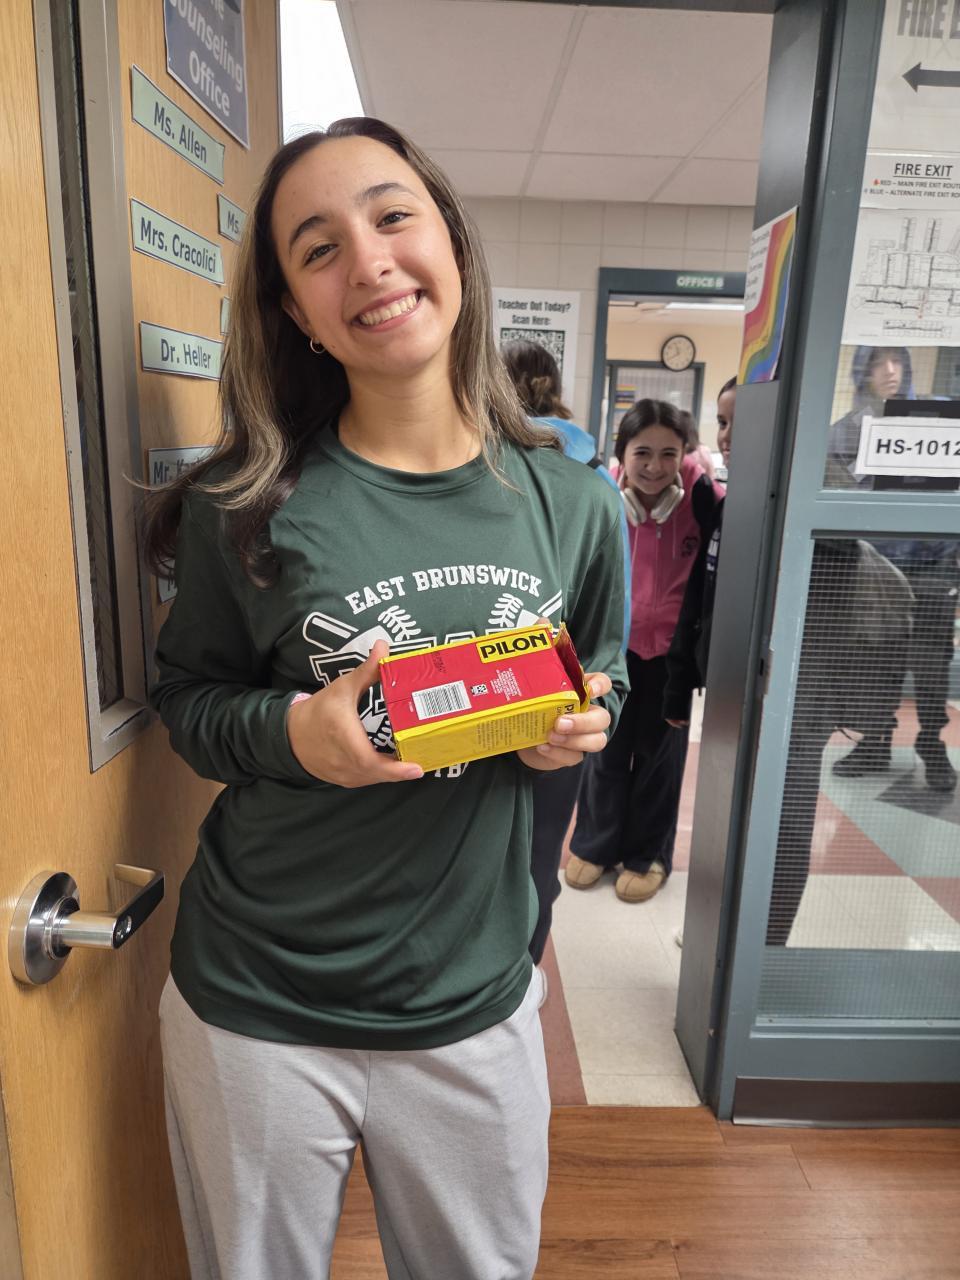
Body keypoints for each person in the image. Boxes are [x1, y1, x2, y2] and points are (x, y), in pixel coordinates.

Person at [145, 118, 627, 1280]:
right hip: (254, 1000)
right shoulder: (245, 503)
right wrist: (295, 733)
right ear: (297, 312)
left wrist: (583, 719)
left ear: (451, 240)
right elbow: (188, 698)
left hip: (473, 995)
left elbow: (603, 663)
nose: (368, 261)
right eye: (319, 248)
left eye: (393, 216)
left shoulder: (572, 499)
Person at [501, 338, 629, 964]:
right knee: (540, 852)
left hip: (486, 684)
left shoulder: (487, 462)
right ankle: (526, 969)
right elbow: (613, 613)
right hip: (564, 690)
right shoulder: (596, 476)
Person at [565, 398, 723, 903]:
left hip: (671, 658)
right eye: (642, 453)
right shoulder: (601, 498)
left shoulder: (703, 502)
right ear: (622, 454)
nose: (655, 466)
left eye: (669, 453)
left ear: (685, 455)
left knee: (660, 760)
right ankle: (593, 844)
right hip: (613, 650)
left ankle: (648, 855)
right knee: (604, 750)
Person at [828, 346, 958, 792]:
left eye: (897, 361)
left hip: (933, 568)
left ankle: (931, 743)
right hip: (877, 573)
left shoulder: (937, 419)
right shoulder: (847, 431)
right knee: (876, 662)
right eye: (878, 362)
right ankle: (874, 742)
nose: (889, 371)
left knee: (931, 664)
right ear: (861, 370)